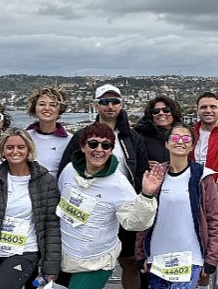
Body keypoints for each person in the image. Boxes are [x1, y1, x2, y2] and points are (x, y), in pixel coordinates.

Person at [58, 84, 150, 289]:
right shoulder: (82, 135)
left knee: (129, 261)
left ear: (121, 104)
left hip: (121, 205)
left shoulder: (132, 138)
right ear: (96, 105)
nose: (110, 106)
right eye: (104, 102)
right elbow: (68, 169)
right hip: (87, 209)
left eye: (115, 101)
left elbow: (141, 171)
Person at [135, 122, 218, 289]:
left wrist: (211, 257)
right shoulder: (156, 176)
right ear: (167, 143)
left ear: (192, 146)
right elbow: (144, 216)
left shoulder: (203, 177)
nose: (180, 141)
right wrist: (140, 253)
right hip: (157, 257)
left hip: (190, 259)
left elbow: (214, 220)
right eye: (175, 137)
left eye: (186, 138)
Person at [0, 128, 61, 288]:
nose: (15, 151)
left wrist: (50, 267)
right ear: (2, 150)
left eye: (21, 147)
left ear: (29, 149)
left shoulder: (45, 181)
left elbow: (51, 226)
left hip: (25, 252)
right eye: (10, 147)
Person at [189, 91, 218, 289]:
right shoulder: (188, 134)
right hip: (191, 198)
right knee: (199, 247)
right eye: (204, 107)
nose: (208, 110)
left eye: (213, 107)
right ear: (197, 110)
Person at [25, 86, 72, 176]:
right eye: (42, 104)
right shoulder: (24, 137)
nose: (47, 108)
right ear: (34, 108)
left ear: (59, 110)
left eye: (53, 105)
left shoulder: (69, 140)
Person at [133, 95, 183, 168]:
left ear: (173, 112)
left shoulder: (183, 133)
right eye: (156, 111)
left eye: (166, 110)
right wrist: (143, 164)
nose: (161, 113)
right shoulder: (138, 135)